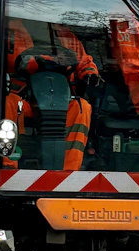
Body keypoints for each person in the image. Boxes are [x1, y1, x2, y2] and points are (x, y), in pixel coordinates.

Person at [5, 19, 99, 170]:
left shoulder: (66, 35)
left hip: (61, 95)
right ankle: (9, 164)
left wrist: (90, 74)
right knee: (7, 102)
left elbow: (85, 61)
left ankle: (69, 169)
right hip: (23, 95)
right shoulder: (11, 28)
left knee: (82, 107)